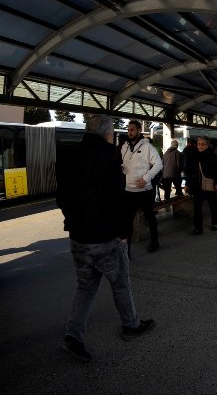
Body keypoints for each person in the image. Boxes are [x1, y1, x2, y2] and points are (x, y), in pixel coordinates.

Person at [56, 115, 155, 362]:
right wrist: (123, 233)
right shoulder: (109, 155)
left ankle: (73, 336)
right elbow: (116, 200)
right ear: (107, 134)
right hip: (104, 237)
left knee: (86, 286)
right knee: (120, 281)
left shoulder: (69, 154)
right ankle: (131, 325)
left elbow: (61, 196)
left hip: (78, 236)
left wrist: (73, 220)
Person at [121, 120, 163, 253]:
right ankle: (126, 251)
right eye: (128, 130)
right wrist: (123, 169)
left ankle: (155, 241)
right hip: (129, 190)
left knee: (150, 217)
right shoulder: (124, 147)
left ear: (139, 130)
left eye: (132, 130)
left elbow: (158, 164)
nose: (130, 132)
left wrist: (146, 178)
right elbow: (124, 164)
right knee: (128, 220)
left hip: (145, 190)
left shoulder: (147, 147)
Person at [185, 137, 217, 234]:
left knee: (213, 205)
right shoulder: (194, 156)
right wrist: (187, 183)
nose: (200, 146)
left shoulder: (212, 156)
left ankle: (215, 223)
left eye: (203, 144)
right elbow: (190, 172)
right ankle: (198, 228)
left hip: (209, 185)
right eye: (199, 144)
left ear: (207, 145)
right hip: (197, 186)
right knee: (197, 207)